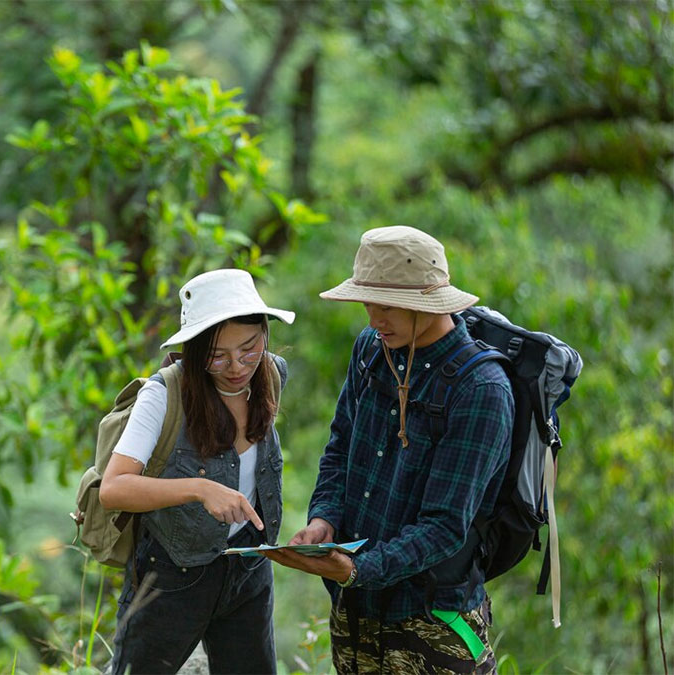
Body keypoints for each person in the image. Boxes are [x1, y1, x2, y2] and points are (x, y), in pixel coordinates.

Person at [264, 226, 513, 674]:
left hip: (432, 621)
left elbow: (444, 526)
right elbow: (340, 448)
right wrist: (324, 519)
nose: (374, 318)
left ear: (426, 301)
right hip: (356, 611)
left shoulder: (481, 390)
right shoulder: (370, 350)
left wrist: (359, 570)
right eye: (367, 303)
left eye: (387, 306)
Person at [99, 268, 294, 675]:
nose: (237, 366)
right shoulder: (163, 394)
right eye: (217, 355)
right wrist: (199, 489)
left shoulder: (271, 374)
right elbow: (114, 488)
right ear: (193, 349)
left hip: (248, 566)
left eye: (249, 347)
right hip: (172, 573)